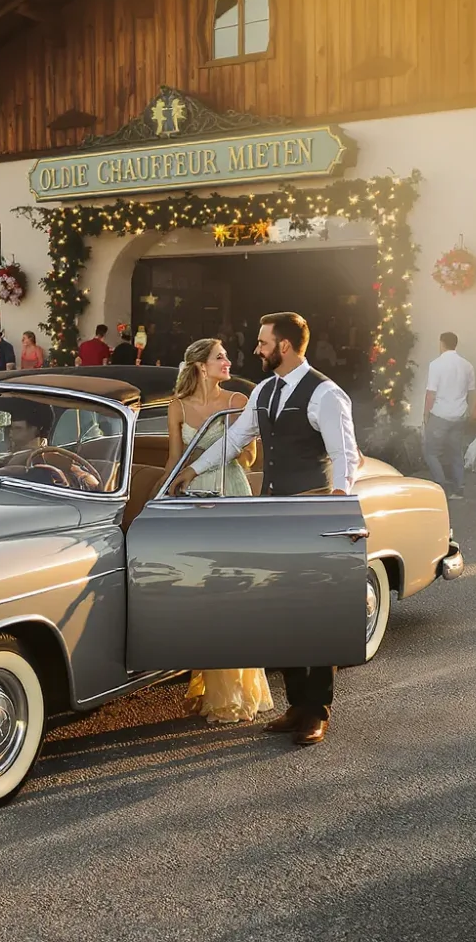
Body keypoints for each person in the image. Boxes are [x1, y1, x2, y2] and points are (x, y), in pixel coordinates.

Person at [170, 312, 359, 746]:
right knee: (282, 611)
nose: (256, 349)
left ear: (286, 347)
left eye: (263, 342)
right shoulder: (265, 391)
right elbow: (235, 440)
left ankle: (317, 711)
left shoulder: (326, 394)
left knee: (314, 613)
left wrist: (338, 505)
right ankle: (296, 705)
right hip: (272, 510)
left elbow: (346, 455)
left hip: (312, 512)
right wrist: (190, 471)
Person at [165, 339, 270, 723]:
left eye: (226, 356)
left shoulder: (237, 401)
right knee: (204, 593)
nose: (228, 362)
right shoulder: (176, 406)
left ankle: (238, 693)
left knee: (233, 590)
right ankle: (210, 686)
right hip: (194, 497)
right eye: (220, 357)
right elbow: (175, 460)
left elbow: (248, 456)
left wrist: (236, 434)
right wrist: (157, 502)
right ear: (199, 365)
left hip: (232, 491)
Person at [423, 331, 476, 500]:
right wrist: (468, 411)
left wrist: (425, 415)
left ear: (442, 343)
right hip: (459, 414)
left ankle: (442, 486)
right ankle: (458, 488)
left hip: (440, 414)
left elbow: (431, 393)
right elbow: (470, 393)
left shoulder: (436, 365)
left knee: (431, 452)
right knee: (455, 452)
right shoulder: (467, 365)